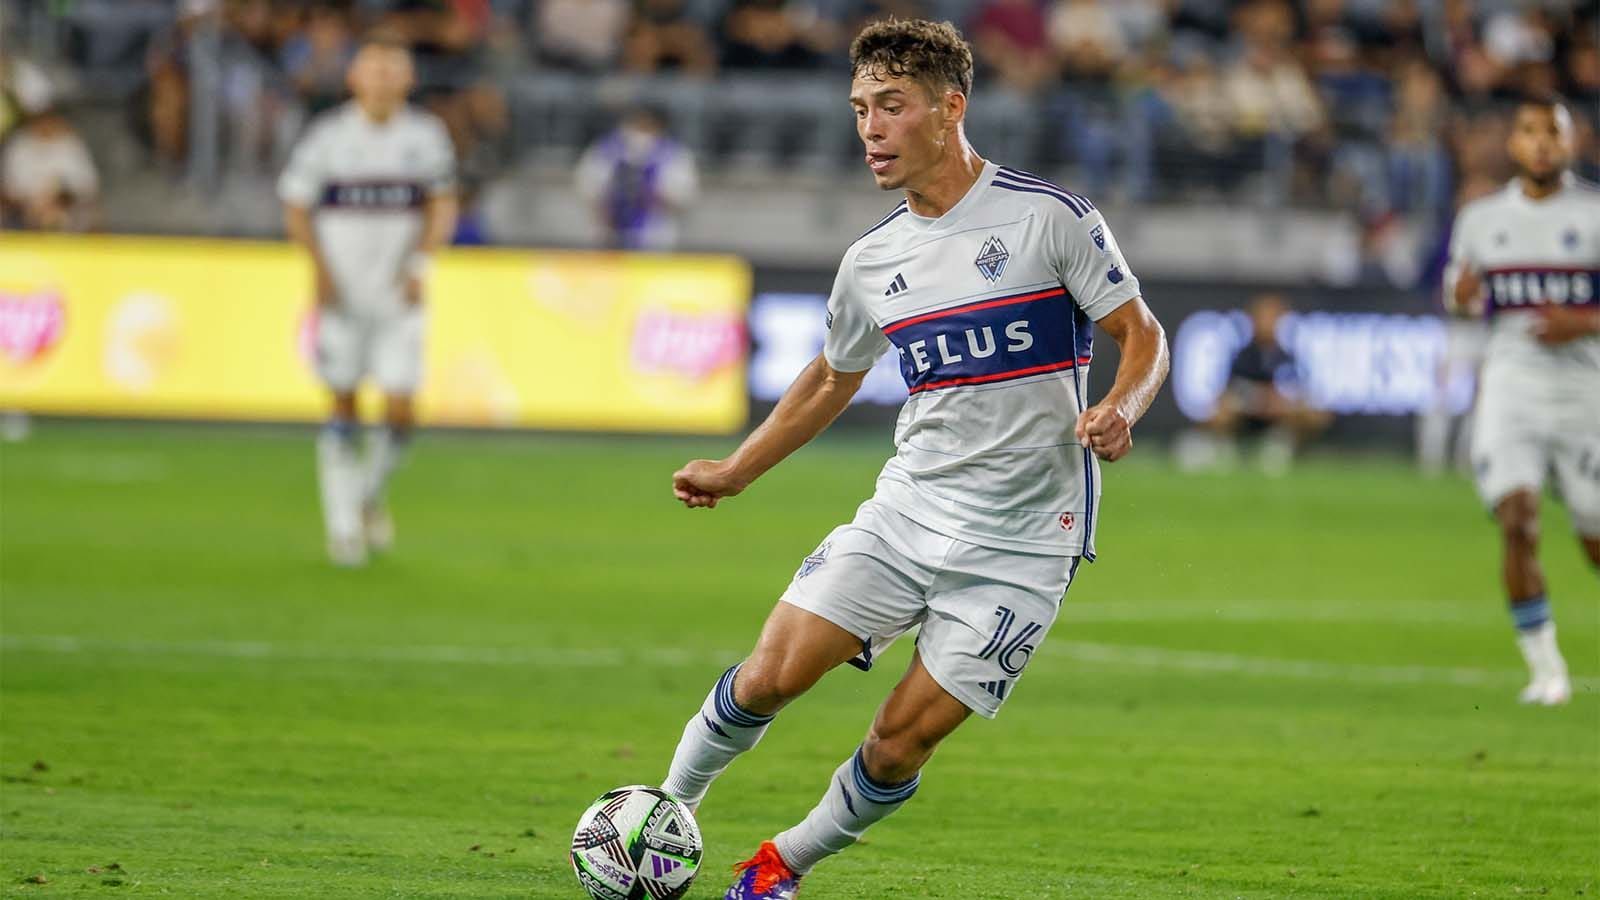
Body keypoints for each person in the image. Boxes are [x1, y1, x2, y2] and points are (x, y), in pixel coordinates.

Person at [658, 19, 1169, 899]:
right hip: (908, 512)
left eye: (891, 106)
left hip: (1025, 543)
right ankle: (664, 812)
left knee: (899, 741)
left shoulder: (1048, 219)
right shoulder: (871, 260)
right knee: (771, 674)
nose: (871, 128)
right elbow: (829, 377)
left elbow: (1142, 333)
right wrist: (736, 469)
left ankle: (782, 864)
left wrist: (1120, 406)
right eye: (860, 109)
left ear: (950, 108)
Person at [277, 32, 458, 567]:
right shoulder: (327, 138)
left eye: (391, 69)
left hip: (399, 295)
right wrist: (318, 269)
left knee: (401, 410)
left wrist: (421, 263)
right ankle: (343, 528)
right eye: (372, 69)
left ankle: (366, 495)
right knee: (342, 402)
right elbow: (294, 205)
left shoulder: (425, 137)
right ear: (353, 77)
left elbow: (441, 204)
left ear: (409, 78)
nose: (381, 79)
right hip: (342, 295)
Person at [1444, 97, 1600, 707]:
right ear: (1513, 144)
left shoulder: (1593, 214)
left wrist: (1583, 323)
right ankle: (1547, 671)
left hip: (1585, 390)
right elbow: (1461, 300)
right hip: (1511, 384)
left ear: (1573, 141)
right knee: (1518, 520)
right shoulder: (1481, 219)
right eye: (1530, 132)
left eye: (1552, 133)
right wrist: (1461, 297)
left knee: (1593, 543)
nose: (1541, 143)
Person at [1207, 293, 1331, 474]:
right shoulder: (1243, 356)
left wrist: (1279, 403)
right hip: (1249, 413)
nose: (1267, 323)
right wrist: (1259, 400)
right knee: (1221, 411)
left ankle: (1282, 447)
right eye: (1263, 317)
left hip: (1280, 416)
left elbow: (1299, 392)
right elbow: (1230, 392)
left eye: (1272, 317)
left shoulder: (1288, 356)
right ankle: (1229, 450)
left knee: (1314, 414)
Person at [574, 106, 698, 250]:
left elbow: (683, 195)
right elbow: (588, 185)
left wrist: (649, 191)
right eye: (637, 124)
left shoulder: (674, 154)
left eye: (647, 126)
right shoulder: (606, 149)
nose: (640, 132)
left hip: (654, 233)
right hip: (609, 233)